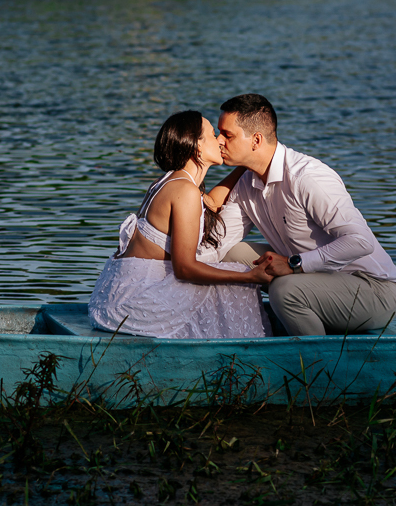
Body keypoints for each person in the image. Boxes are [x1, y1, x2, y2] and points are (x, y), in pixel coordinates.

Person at [208, 93, 396, 336]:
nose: (218, 141)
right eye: (218, 133)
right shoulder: (247, 183)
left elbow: (360, 241)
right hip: (314, 279)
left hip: (372, 290)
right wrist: (173, 263)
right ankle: (252, 329)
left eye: (227, 135)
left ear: (256, 140)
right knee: (230, 255)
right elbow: (217, 241)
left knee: (285, 290)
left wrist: (294, 265)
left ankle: (317, 366)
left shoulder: (307, 177)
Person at [88, 110, 273, 339]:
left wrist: (246, 164)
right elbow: (184, 268)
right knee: (239, 276)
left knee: (228, 274)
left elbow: (213, 202)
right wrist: (251, 277)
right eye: (213, 134)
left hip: (110, 298)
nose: (220, 141)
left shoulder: (171, 181)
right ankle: (241, 357)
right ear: (197, 146)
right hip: (130, 305)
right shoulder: (185, 191)